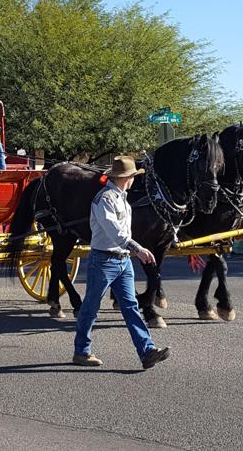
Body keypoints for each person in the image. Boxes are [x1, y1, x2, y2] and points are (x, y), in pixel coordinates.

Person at [73, 156, 170, 370]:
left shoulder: (122, 198)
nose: (135, 180)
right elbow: (114, 232)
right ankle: (81, 351)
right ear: (128, 178)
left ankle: (147, 351)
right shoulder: (104, 199)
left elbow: (123, 232)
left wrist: (133, 249)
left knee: (131, 307)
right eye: (134, 176)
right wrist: (137, 248)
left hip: (122, 261)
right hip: (104, 260)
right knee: (90, 307)